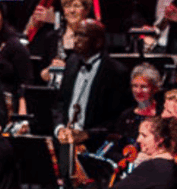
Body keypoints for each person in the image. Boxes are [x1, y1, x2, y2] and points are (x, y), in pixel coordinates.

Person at [53, 20, 131, 150]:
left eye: (82, 36)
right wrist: (59, 128)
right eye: (75, 35)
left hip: (95, 144)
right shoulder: (71, 62)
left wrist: (87, 134)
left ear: (98, 41)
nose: (76, 40)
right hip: (64, 140)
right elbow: (59, 103)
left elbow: (117, 118)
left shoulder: (116, 72)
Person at [32, 0, 93, 82]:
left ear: (86, 10)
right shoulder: (51, 37)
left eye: (77, 6)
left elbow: (96, 73)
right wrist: (49, 71)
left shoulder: (93, 38)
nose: (72, 11)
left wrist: (68, 69)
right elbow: (40, 74)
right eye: (67, 6)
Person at [114, 64, 162, 144]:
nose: (138, 91)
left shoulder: (163, 114)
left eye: (144, 87)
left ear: (155, 88)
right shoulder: (126, 116)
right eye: (135, 86)